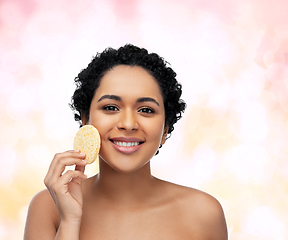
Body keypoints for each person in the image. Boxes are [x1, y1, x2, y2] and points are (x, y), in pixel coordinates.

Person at [24, 44, 228, 240]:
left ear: (165, 129)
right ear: (85, 120)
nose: (128, 124)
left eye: (146, 110)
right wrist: (70, 221)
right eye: (111, 108)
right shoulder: (49, 207)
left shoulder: (204, 214)